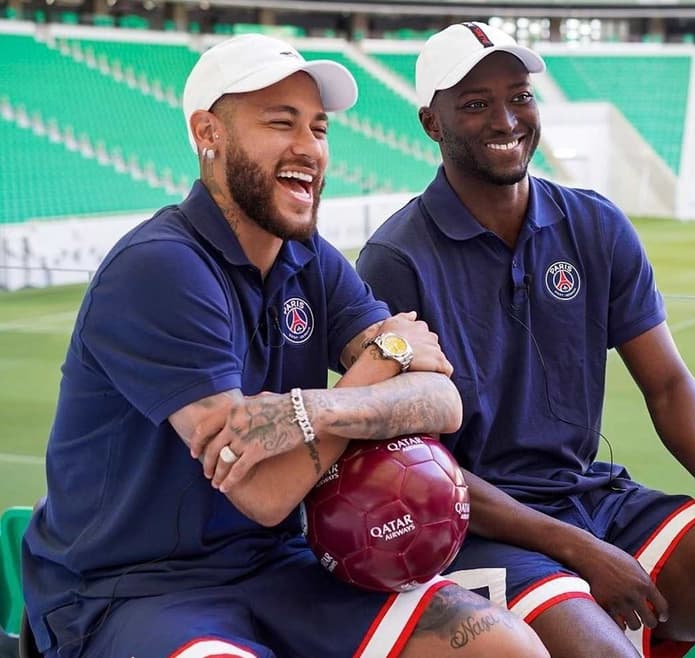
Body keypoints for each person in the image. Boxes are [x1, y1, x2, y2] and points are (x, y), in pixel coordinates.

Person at [21, 34, 550, 658]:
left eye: (319, 128)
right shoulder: (161, 265)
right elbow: (264, 494)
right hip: (131, 591)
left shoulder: (309, 259)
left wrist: (313, 411)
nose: (309, 148)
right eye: (281, 123)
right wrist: (382, 362)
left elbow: (443, 399)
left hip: (284, 568)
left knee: (503, 646)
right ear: (208, 133)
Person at [356, 21, 695, 658]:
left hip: (591, 496)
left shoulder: (594, 223)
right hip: (477, 524)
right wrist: (579, 550)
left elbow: (667, 384)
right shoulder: (396, 258)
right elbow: (422, 469)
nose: (505, 119)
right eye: (474, 103)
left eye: (519, 96)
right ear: (431, 123)